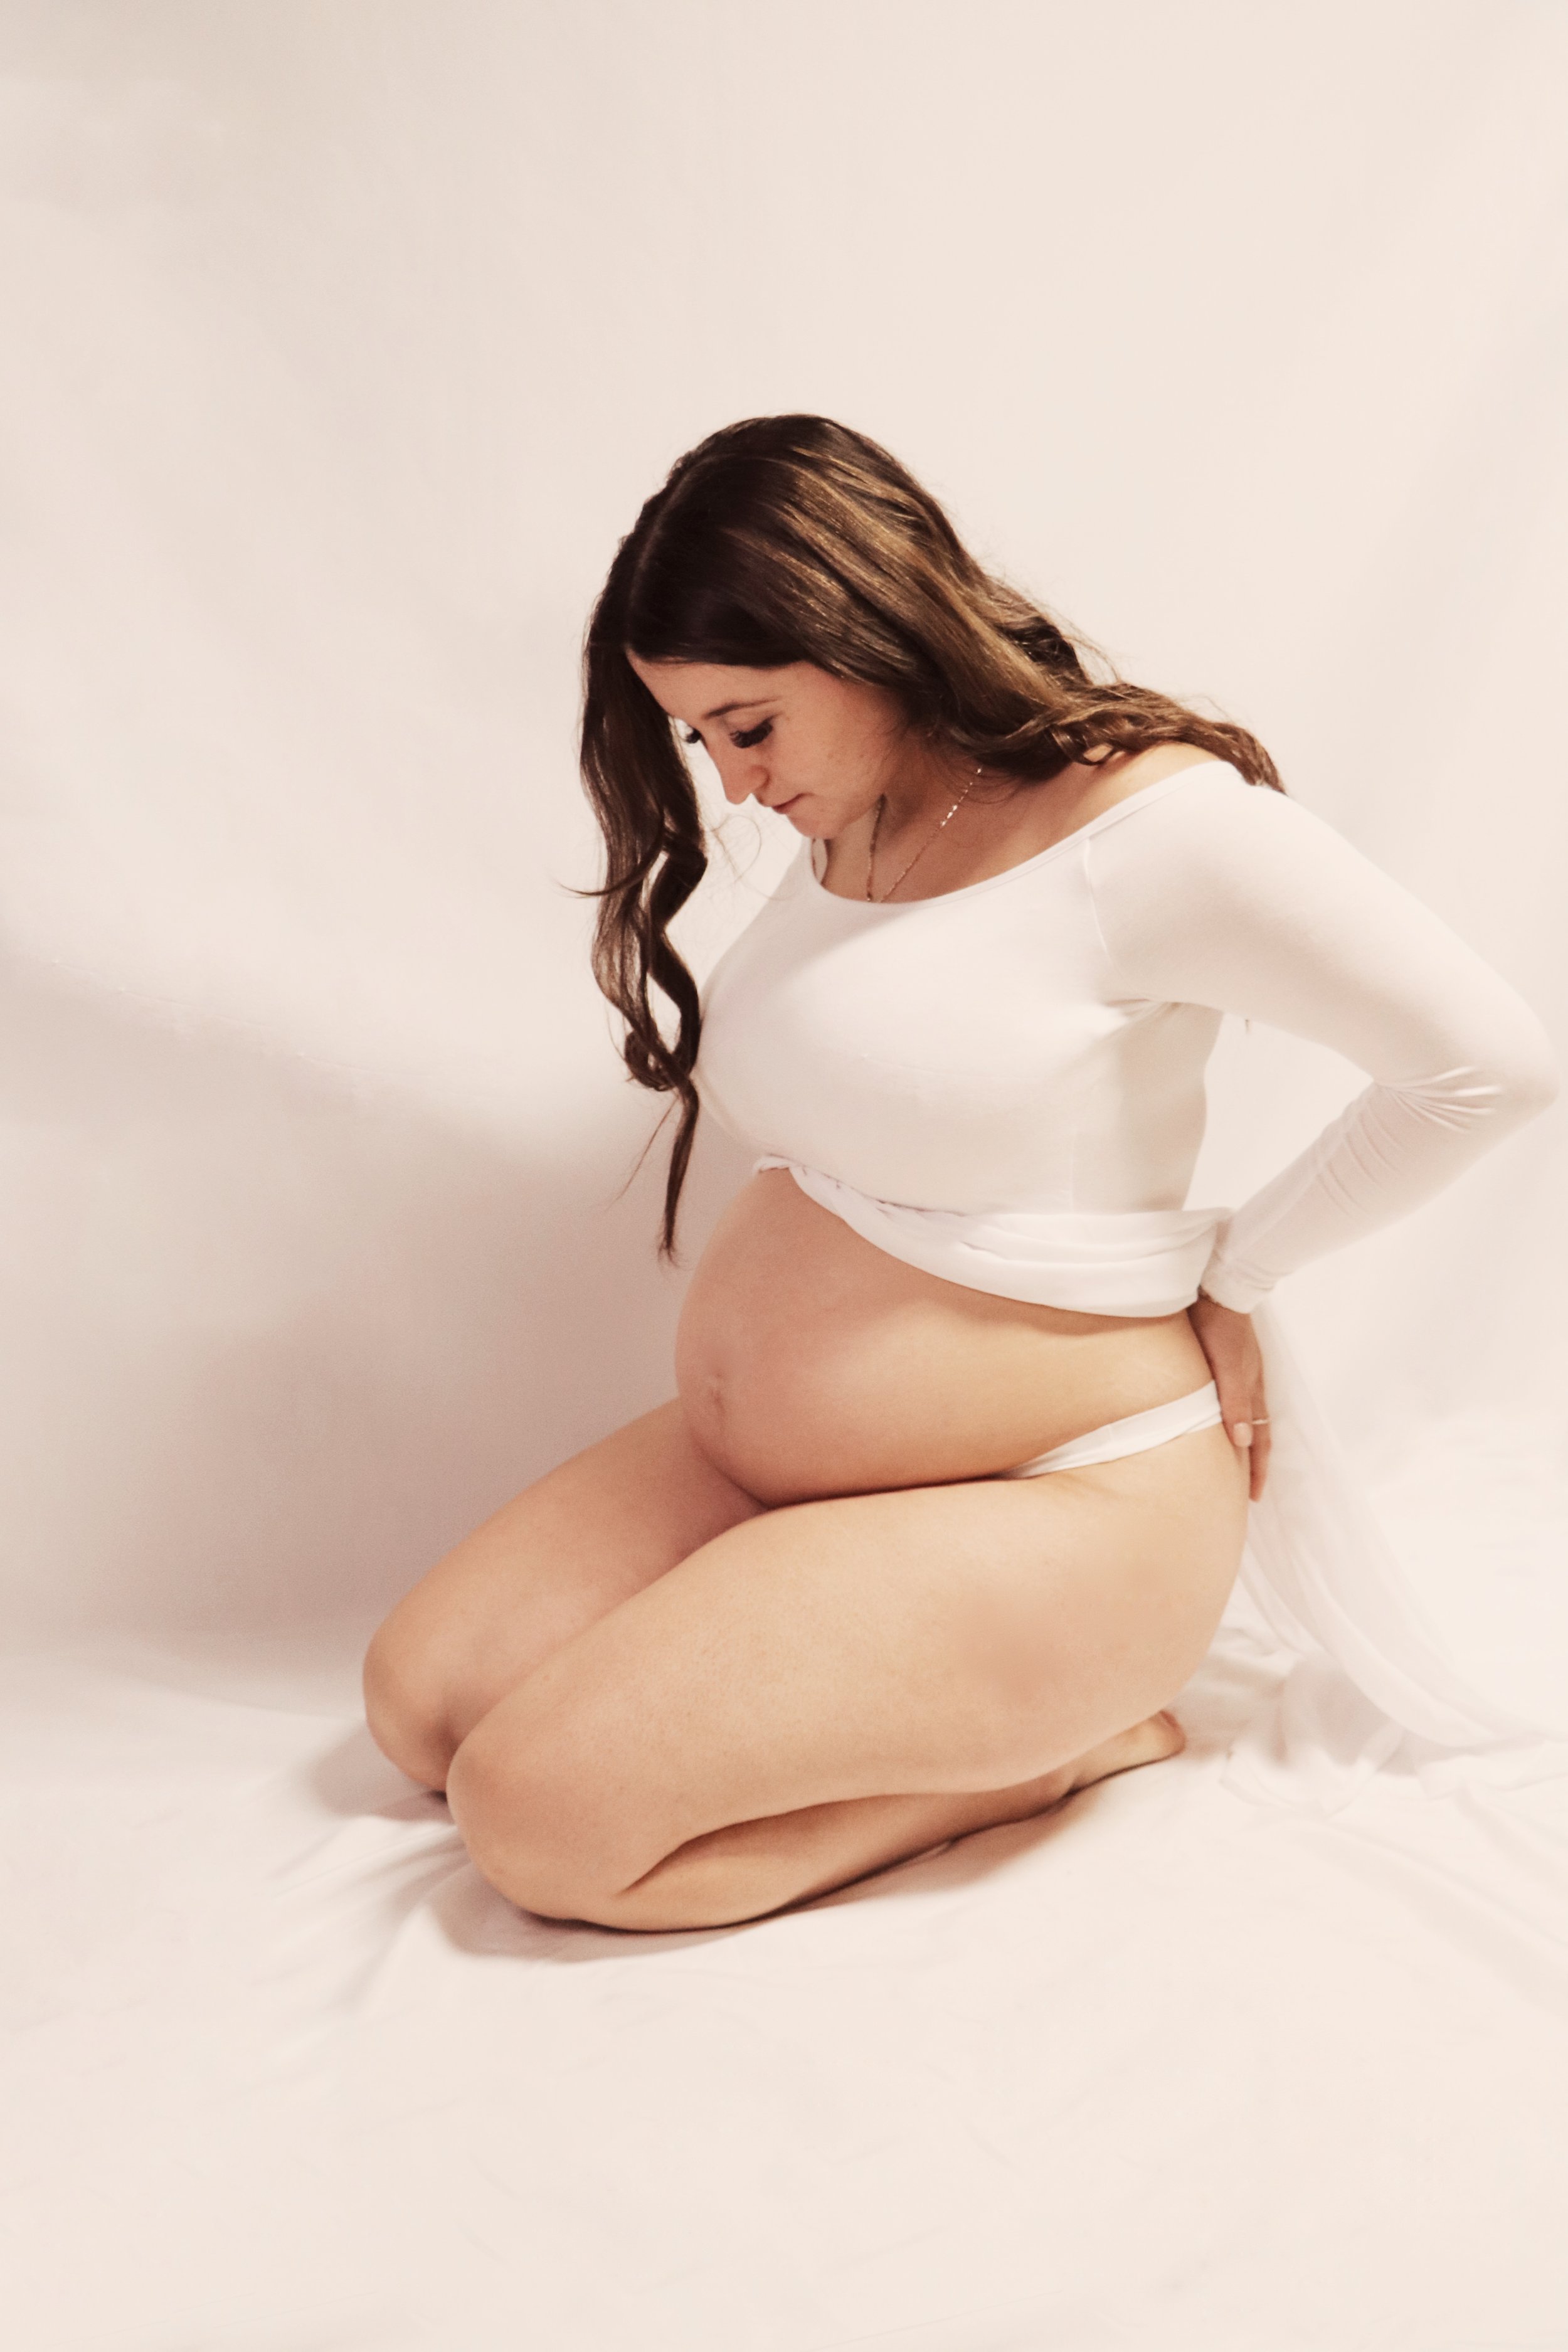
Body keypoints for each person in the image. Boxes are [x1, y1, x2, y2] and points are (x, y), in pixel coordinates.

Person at [363, 415, 1559, 1930]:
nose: (732, 786)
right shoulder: (858, 810)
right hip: (789, 1471)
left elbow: (1488, 1065)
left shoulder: (1148, 834)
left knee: (537, 1824)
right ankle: (881, 1663)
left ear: (860, 628)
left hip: (1060, 1504)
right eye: (697, 740)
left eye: (747, 725)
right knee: (420, 1706)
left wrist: (1237, 1274)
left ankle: (1065, 1743)